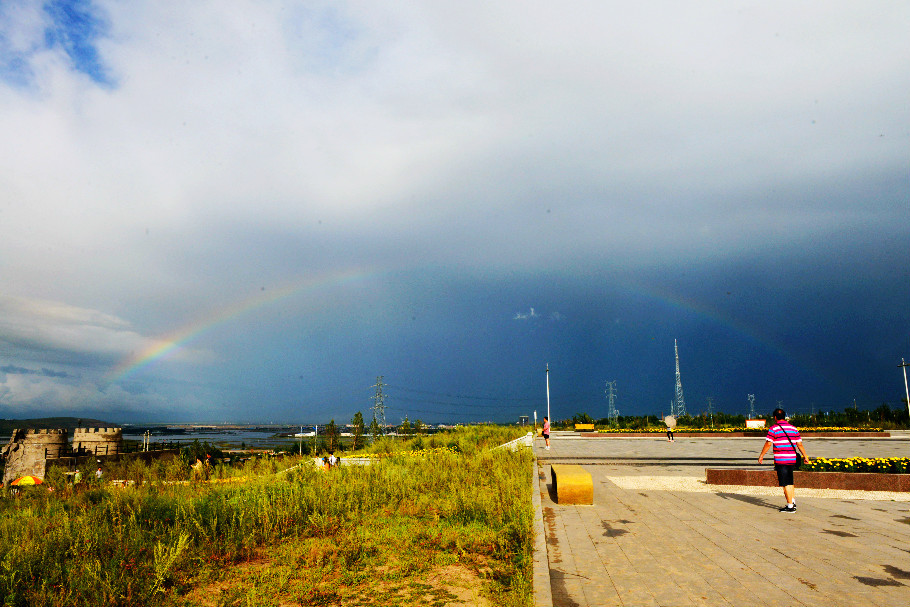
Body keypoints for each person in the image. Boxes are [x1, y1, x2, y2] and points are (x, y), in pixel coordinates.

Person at [758, 408, 810, 513]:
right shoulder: (793, 428)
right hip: (792, 459)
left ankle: (790, 506)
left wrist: (761, 455)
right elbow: (799, 444)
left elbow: (768, 443)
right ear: (785, 416)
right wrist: (805, 456)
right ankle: (792, 501)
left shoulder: (774, 429)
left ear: (775, 417)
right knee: (790, 481)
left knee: (785, 482)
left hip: (781, 459)